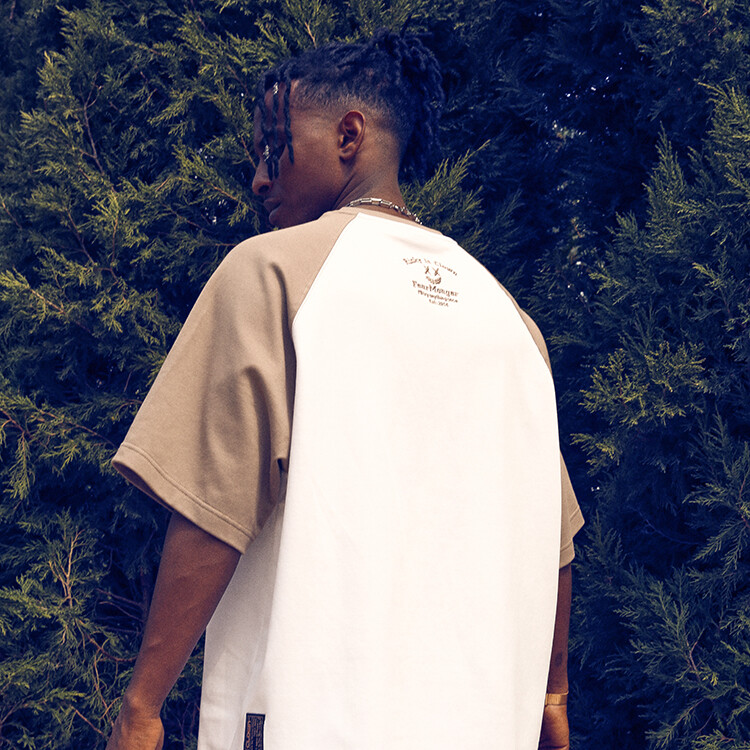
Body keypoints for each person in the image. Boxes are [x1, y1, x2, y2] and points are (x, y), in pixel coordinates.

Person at [105, 29, 583, 750]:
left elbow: (213, 508)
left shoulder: (271, 274)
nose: (259, 178)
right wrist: (552, 693)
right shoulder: (510, 320)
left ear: (348, 136)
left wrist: (142, 706)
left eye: (273, 147)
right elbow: (555, 544)